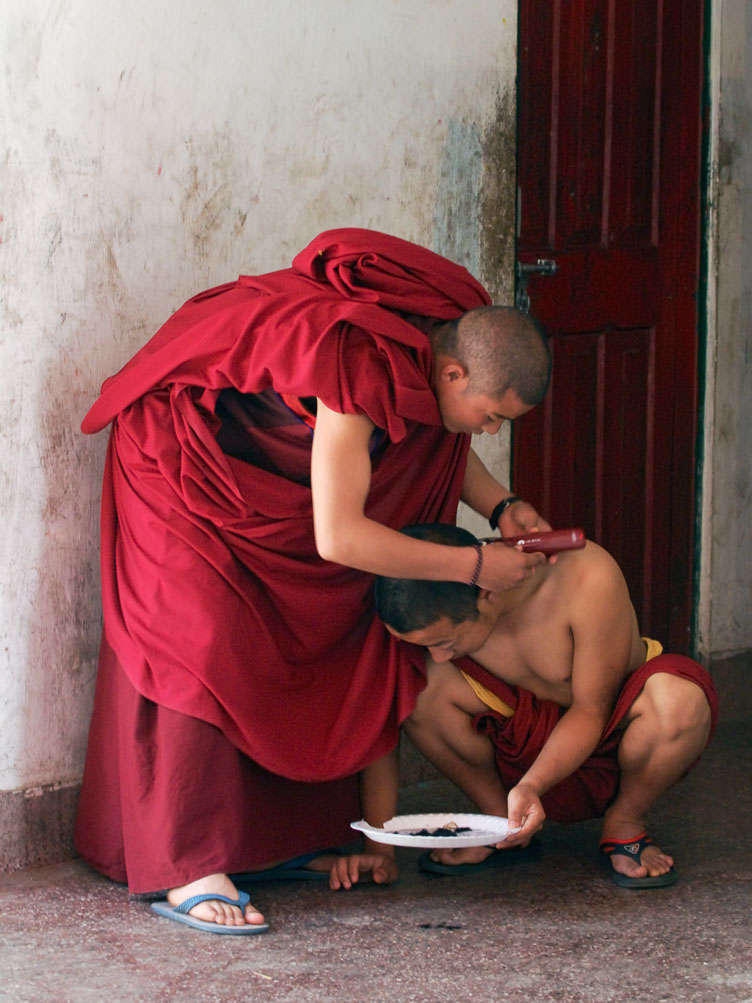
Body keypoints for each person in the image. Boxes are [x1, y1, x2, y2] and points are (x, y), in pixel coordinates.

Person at [74, 228, 554, 934]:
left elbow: (432, 434)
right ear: (454, 374)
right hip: (181, 459)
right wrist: (477, 562)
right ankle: (184, 864)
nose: (487, 431)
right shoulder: (356, 368)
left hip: (270, 475)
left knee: (332, 625)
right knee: (198, 638)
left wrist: (502, 506)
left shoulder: (453, 327)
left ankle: (282, 840)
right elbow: (341, 537)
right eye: (493, 415)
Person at [329, 522, 717, 893]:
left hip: (609, 730)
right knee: (418, 688)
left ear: (488, 595)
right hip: (519, 737)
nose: (439, 656)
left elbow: (590, 711)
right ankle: (501, 825)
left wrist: (532, 785)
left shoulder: (586, 577)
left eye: (446, 641)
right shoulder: (457, 595)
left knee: (680, 702)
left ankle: (625, 820)